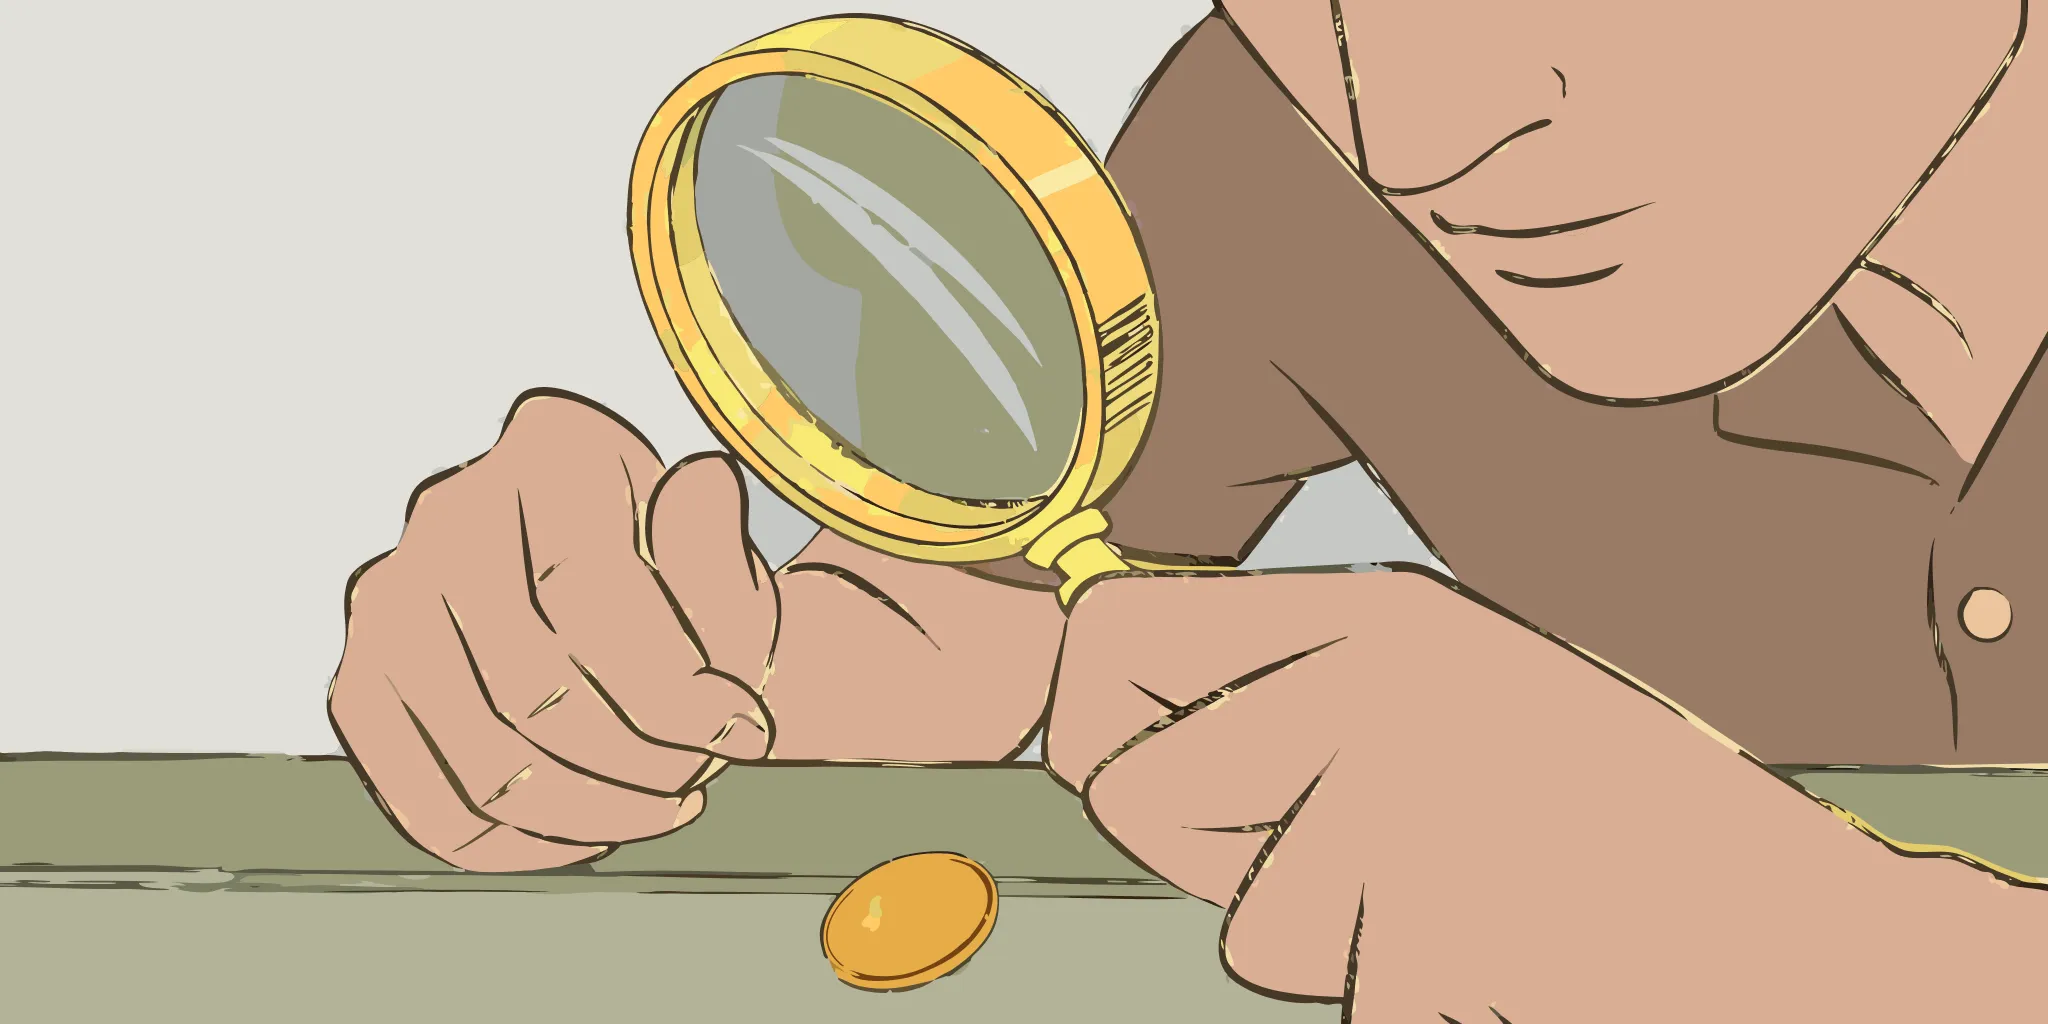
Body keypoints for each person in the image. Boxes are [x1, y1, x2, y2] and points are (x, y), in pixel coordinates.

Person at [328, 0, 2048, 1018]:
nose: (1420, 120)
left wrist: (1792, 949)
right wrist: (670, 670)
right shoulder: (1290, 140)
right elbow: (988, 620)